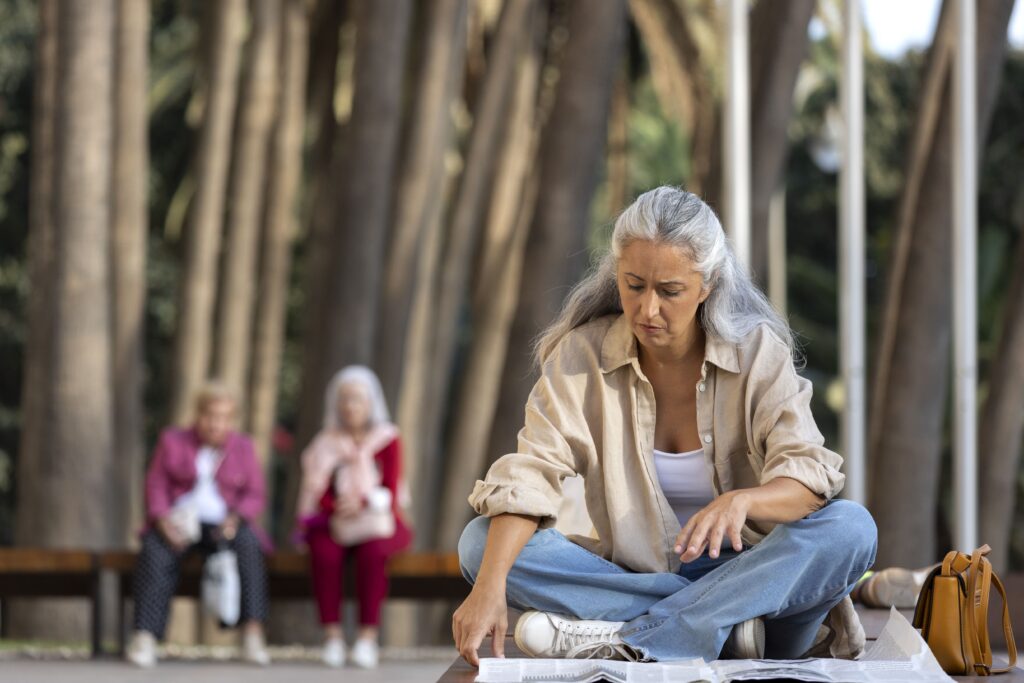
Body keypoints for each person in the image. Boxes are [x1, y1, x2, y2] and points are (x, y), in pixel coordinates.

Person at [453, 186, 878, 665]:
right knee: (479, 545)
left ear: (708, 284)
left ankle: (636, 637)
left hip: (761, 589)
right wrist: (487, 588)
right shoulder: (581, 357)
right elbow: (530, 472)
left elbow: (807, 479)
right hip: (686, 600)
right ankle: (709, 631)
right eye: (634, 285)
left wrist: (744, 501)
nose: (647, 309)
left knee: (851, 527)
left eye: (669, 291)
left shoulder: (758, 354)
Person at [127, 382, 271, 668]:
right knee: (155, 551)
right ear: (198, 414)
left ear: (231, 420)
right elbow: (156, 484)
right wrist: (162, 519)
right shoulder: (173, 441)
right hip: (181, 522)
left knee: (250, 545)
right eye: (209, 415)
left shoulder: (243, 447)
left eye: (222, 417)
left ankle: (253, 634)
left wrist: (237, 517)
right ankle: (145, 636)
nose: (214, 424)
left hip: (223, 524)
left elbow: (255, 494)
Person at [295, 366, 412, 669]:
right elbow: (316, 488)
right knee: (324, 554)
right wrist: (337, 506)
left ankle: (366, 638)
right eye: (344, 400)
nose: (350, 406)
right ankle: (332, 638)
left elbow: (391, 486)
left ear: (371, 402)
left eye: (357, 399)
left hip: (378, 518)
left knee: (373, 553)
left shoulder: (387, 439)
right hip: (334, 520)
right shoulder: (326, 442)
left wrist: (361, 502)